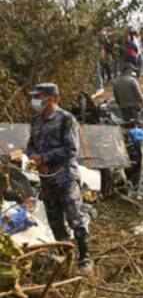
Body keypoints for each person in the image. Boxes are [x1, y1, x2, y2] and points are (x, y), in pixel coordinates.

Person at [25, 83, 92, 274]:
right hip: (45, 177)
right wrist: (35, 159)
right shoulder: (36, 120)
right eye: (35, 96)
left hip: (65, 177)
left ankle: (84, 258)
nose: (35, 100)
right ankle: (65, 255)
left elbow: (71, 149)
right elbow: (30, 146)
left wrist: (44, 157)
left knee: (75, 217)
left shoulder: (66, 119)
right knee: (54, 220)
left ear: (52, 98)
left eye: (39, 96)